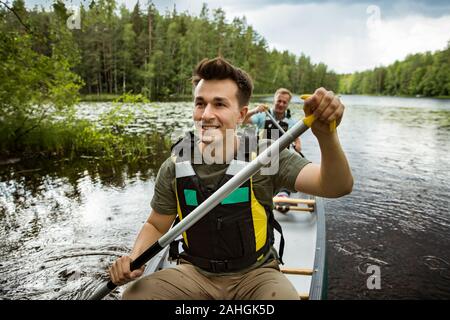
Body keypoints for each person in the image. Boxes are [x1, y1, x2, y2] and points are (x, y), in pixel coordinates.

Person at [108, 57, 353, 300]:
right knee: (134, 296)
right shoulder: (175, 165)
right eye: (200, 103)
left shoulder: (266, 154)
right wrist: (135, 257)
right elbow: (156, 225)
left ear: (241, 114)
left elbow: (336, 186)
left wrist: (326, 136)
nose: (206, 115)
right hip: (195, 273)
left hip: (255, 276)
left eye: (219, 105)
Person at [244, 88, 301, 154]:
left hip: (281, 156)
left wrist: (298, 144)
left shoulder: (291, 121)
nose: (281, 104)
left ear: (288, 104)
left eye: (284, 102)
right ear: (274, 101)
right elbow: (243, 120)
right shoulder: (262, 115)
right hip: (261, 155)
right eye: (279, 101)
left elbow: (295, 137)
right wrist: (254, 110)